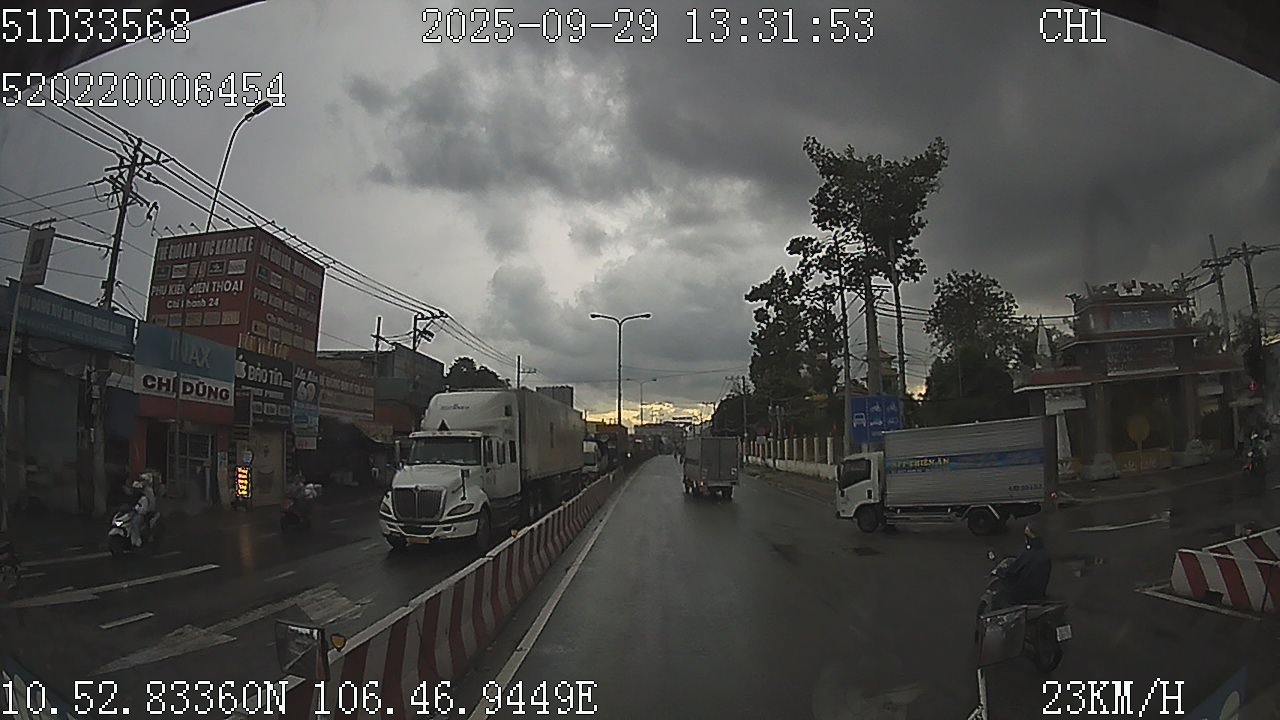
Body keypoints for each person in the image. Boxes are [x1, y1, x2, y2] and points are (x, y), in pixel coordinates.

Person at [996, 517, 1052, 607]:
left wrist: (1000, 572)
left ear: (1031, 536)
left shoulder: (1028, 554)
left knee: (1001, 597)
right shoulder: (1045, 553)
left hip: (1023, 594)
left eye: (1026, 534)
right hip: (1039, 591)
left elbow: (1012, 571)